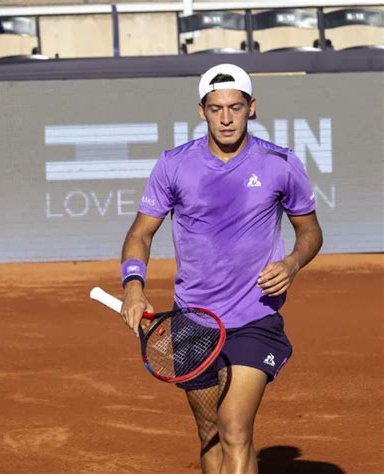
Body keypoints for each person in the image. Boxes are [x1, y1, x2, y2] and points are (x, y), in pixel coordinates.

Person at [120, 63, 323, 473]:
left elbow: (310, 232)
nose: (226, 118)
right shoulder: (173, 165)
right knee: (211, 434)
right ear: (202, 111)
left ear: (252, 107)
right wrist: (133, 284)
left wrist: (292, 263)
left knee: (233, 429)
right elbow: (141, 233)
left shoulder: (279, 163)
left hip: (254, 319)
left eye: (235, 107)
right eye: (216, 109)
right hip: (192, 321)